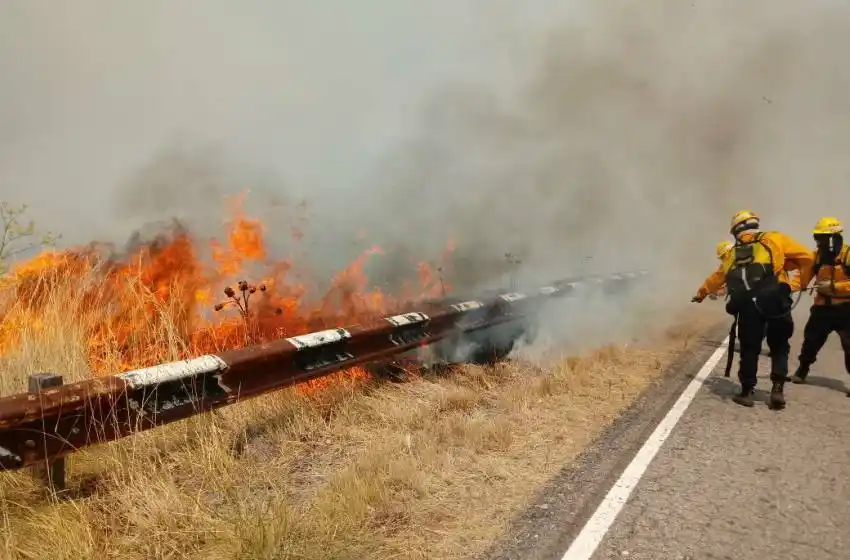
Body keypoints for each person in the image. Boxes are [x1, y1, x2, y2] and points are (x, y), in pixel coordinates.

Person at [692, 210, 814, 409]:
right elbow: (807, 257)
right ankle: (777, 389)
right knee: (779, 346)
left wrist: (701, 293)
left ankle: (746, 392)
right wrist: (801, 283)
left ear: (735, 231)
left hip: (748, 306)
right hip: (776, 300)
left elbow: (716, 278)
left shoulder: (732, 254)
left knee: (749, 348)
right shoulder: (774, 238)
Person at [789, 217, 850, 391]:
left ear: (833, 237)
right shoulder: (816, 257)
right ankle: (802, 370)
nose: (818, 242)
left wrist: (834, 287)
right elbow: (801, 278)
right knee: (811, 340)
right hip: (822, 308)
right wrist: (785, 288)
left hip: (846, 309)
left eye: (822, 238)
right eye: (817, 237)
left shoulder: (848, 255)